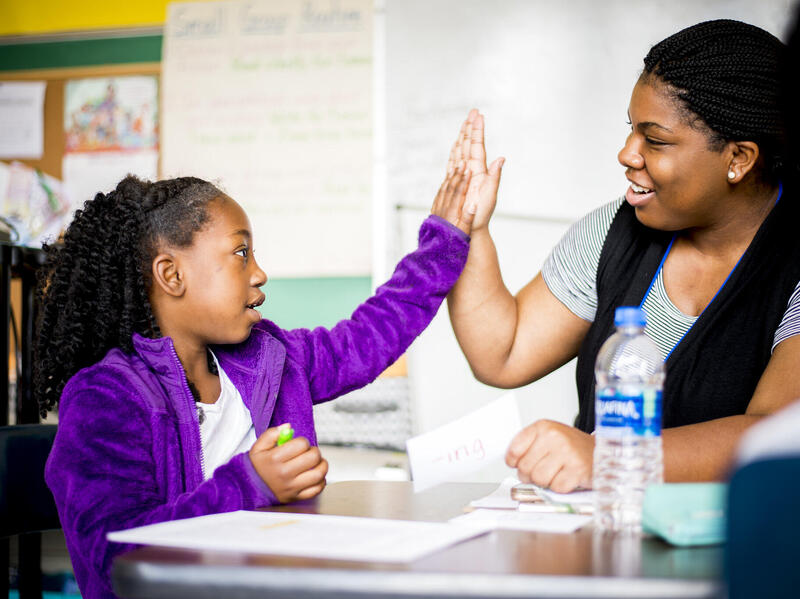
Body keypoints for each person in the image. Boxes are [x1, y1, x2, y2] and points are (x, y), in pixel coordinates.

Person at [38, 164, 475, 599]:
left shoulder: (269, 357)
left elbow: (366, 338)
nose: (259, 273)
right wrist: (249, 485)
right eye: (241, 253)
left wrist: (443, 242)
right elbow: (113, 558)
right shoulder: (105, 398)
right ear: (172, 275)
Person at [446, 19, 800, 494]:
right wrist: (468, 229)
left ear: (738, 158)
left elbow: (775, 434)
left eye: (654, 140)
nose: (626, 153)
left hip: (733, 551)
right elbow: (503, 353)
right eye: (631, 131)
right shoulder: (615, 229)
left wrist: (608, 456)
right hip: (605, 539)